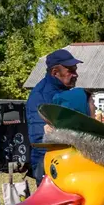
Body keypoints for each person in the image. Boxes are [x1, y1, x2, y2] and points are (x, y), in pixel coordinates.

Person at [27, 49, 90, 183]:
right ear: (55, 72)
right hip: (49, 163)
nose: (76, 75)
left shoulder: (63, 92)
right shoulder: (42, 96)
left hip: (67, 158)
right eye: (70, 71)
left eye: (75, 70)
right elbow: (42, 138)